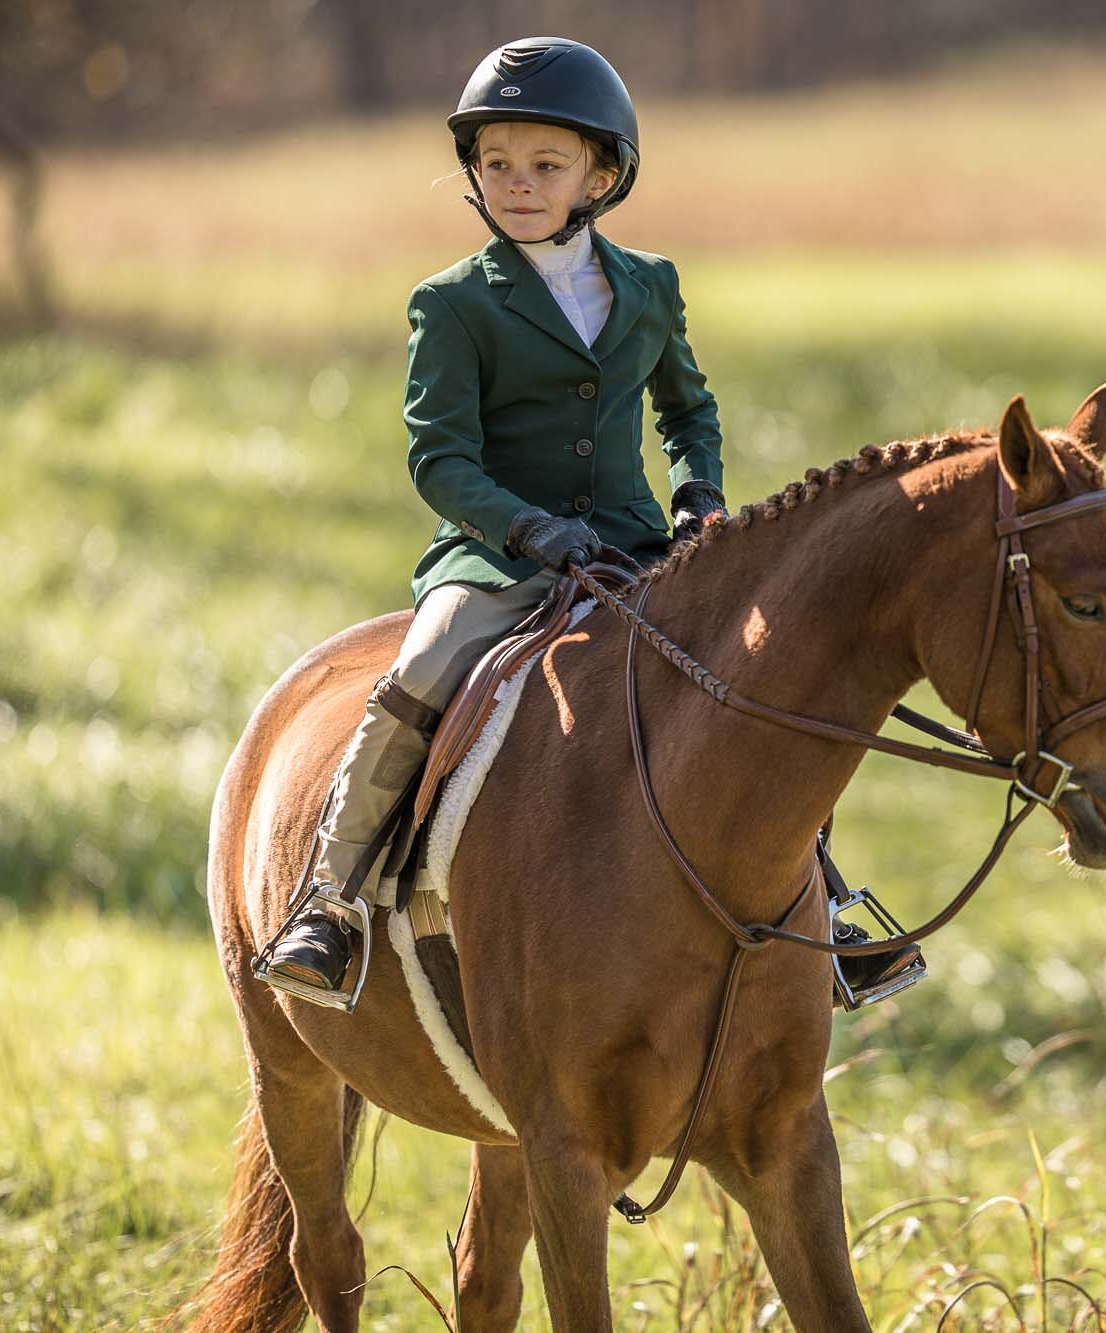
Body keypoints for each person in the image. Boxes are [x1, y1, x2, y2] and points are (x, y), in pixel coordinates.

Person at [260, 37, 924, 1011]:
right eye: (496, 165)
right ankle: (331, 899)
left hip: (638, 549)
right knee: (425, 668)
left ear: (600, 174)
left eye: (545, 166)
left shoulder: (648, 284)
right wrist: (526, 529)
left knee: (758, 678)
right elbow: (438, 460)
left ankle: (827, 914)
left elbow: (687, 411)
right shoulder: (449, 305)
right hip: (495, 556)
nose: (518, 186)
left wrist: (699, 495)